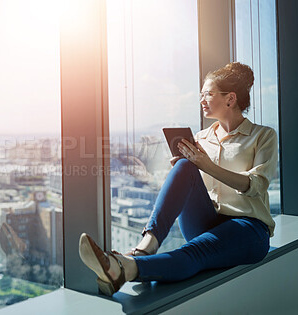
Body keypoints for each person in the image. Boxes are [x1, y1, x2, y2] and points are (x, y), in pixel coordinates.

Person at [79, 62, 278, 296]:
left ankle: (126, 269)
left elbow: (256, 186)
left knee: (194, 253)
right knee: (184, 165)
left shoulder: (263, 136)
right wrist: (186, 171)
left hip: (247, 228)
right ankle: (145, 247)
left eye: (207, 94)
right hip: (206, 222)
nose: (202, 100)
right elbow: (197, 186)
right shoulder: (201, 138)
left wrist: (207, 166)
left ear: (230, 99)